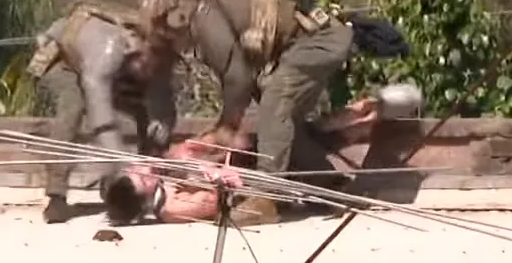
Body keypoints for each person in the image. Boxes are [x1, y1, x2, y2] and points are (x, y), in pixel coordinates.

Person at [140, 0, 353, 226]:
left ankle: (267, 198)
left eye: (163, 35)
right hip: (317, 41)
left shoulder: (204, 20)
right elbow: (244, 80)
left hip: (321, 41)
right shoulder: (206, 17)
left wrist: (226, 127)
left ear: (174, 19)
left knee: (275, 104)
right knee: (281, 119)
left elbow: (237, 79)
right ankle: (329, 185)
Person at [103, 83, 423, 225]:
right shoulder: (170, 207)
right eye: (137, 176)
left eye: (135, 170)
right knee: (296, 138)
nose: (141, 169)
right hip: (261, 187)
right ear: (141, 193)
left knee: (297, 132)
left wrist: (210, 145)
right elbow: (215, 200)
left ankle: (369, 113)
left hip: (252, 160)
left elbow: (198, 148)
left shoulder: (164, 176)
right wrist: (214, 175)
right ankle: (367, 120)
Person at [27, 0, 184, 224]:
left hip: (117, 69)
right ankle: (57, 196)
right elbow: (101, 119)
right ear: (138, 52)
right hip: (66, 63)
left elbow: (163, 97)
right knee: (73, 107)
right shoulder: (108, 50)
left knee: (148, 119)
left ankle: (134, 193)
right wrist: (123, 167)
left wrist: (163, 123)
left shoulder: (158, 54)